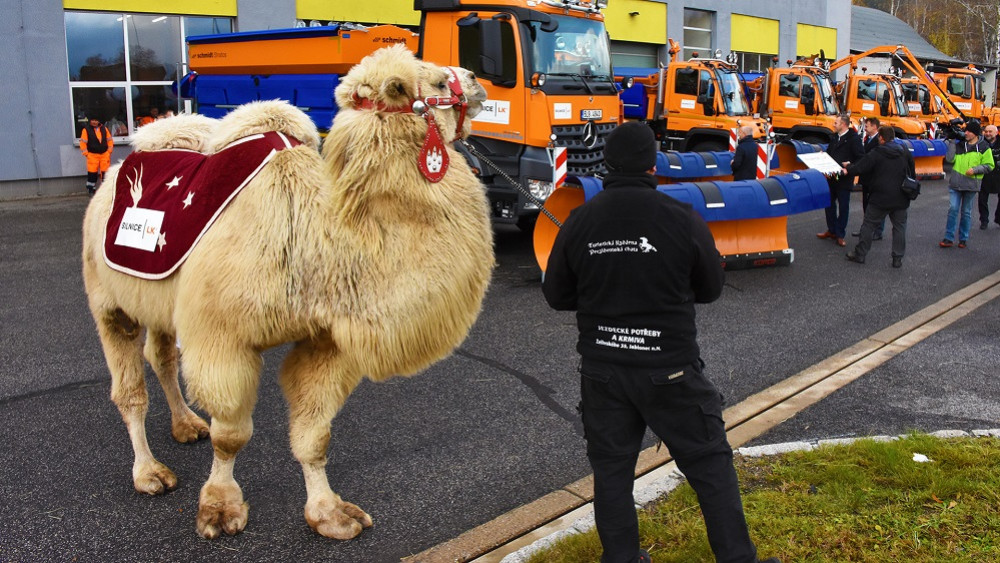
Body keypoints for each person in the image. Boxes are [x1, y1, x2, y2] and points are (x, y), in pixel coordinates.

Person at [542, 121, 779, 563]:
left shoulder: (579, 221)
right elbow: (710, 288)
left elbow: (557, 296)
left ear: (606, 164)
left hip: (603, 371)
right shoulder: (680, 217)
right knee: (710, 466)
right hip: (670, 369)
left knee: (611, 473)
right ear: (653, 164)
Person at [843, 126, 914, 268]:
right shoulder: (904, 151)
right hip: (901, 196)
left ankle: (860, 254)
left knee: (868, 225)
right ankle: (897, 259)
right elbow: (911, 173)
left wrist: (848, 168)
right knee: (899, 228)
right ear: (893, 137)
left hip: (880, 197)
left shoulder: (877, 152)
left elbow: (860, 167)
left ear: (881, 138)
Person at [940, 120, 994, 248]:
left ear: (975, 134)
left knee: (966, 212)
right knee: (953, 209)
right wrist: (952, 141)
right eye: (966, 130)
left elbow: (989, 165)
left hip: (971, 185)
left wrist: (975, 170)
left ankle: (963, 238)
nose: (966, 133)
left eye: (969, 131)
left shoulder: (984, 147)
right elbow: (949, 159)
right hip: (956, 184)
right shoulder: (960, 144)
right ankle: (949, 238)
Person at [817, 114, 864, 247]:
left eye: (836, 123)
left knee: (844, 207)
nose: (834, 124)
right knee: (829, 204)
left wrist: (849, 167)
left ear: (843, 125)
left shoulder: (854, 139)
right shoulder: (834, 137)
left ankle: (840, 234)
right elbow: (830, 153)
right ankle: (831, 230)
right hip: (831, 176)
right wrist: (822, 157)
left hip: (844, 178)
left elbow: (861, 158)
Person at [852, 117, 885, 240]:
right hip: (866, 178)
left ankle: (877, 231)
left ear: (874, 127)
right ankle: (866, 229)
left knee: (876, 206)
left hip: (875, 179)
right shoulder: (867, 140)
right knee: (866, 205)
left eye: (867, 126)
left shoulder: (879, 141)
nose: (865, 128)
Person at [79, 114, 114, 195]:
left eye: (96, 120)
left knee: (106, 172)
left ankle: (106, 189)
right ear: (90, 120)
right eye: (93, 120)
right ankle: (91, 189)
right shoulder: (86, 130)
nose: (94, 122)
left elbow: (109, 140)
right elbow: (82, 143)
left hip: (104, 154)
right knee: (92, 173)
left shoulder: (104, 129)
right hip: (92, 155)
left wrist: (109, 151)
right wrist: (86, 154)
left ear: (99, 121)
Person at [977, 124, 1000, 229]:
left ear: (996, 133)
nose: (988, 134)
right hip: (984, 174)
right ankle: (984, 221)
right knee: (982, 199)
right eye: (986, 131)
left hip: (998, 174)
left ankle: (999, 218)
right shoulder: (980, 143)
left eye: (990, 131)